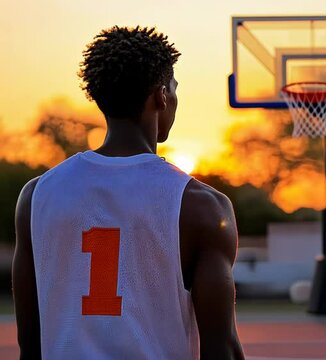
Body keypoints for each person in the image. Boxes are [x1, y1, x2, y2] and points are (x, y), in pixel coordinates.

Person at [12, 26, 245, 359]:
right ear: (160, 95)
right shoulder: (201, 205)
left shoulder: (36, 196)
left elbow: (30, 345)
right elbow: (221, 347)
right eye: (174, 88)